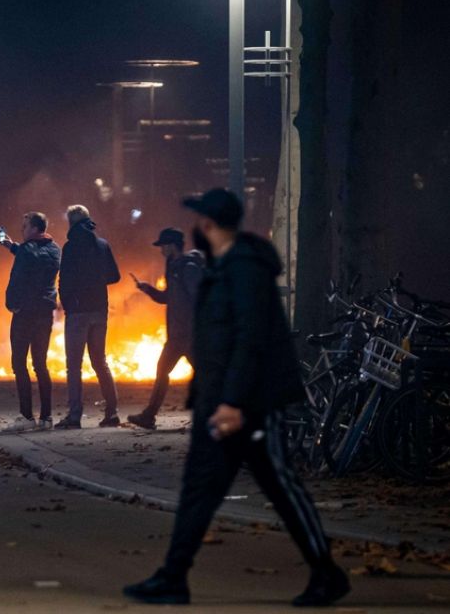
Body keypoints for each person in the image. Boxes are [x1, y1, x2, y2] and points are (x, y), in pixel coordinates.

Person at [123, 189, 349, 608]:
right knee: (198, 489)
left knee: (281, 487)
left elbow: (249, 339)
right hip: (219, 399)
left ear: (210, 227)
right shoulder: (221, 267)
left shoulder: (245, 268)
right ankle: (173, 577)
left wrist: (232, 402)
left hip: (250, 404)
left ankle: (326, 573)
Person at [127, 228, 204, 430]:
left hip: (188, 334)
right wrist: (148, 290)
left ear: (171, 246)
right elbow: (167, 298)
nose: (160, 249)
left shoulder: (188, 268)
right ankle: (149, 415)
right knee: (166, 371)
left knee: (167, 372)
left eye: (162, 245)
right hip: (180, 334)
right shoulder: (175, 266)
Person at [56, 205, 121, 429]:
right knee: (100, 362)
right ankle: (112, 413)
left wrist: (69, 306)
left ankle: (75, 417)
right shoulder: (102, 245)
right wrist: (96, 280)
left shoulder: (71, 247)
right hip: (99, 311)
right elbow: (115, 276)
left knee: (74, 366)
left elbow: (63, 281)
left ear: (71, 223)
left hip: (78, 312)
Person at [0, 212, 61, 432]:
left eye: (25, 227)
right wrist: (12, 246)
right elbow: (36, 259)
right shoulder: (55, 250)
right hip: (45, 314)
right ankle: (46, 418)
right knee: (40, 364)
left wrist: (11, 305)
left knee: (19, 363)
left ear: (35, 228)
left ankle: (26, 417)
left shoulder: (26, 251)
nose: (22, 230)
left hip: (25, 314)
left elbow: (17, 279)